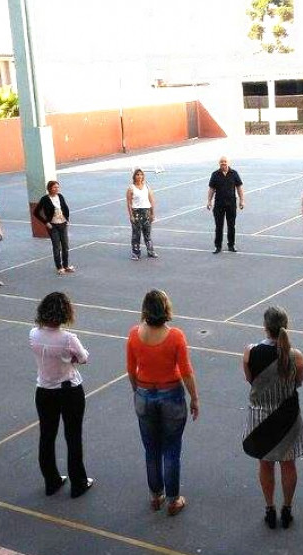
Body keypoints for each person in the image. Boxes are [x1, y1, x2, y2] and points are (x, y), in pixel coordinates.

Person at [126, 290, 200, 516]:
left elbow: (131, 370)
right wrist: (194, 398)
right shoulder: (175, 336)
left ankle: (155, 495)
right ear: (166, 309)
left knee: (151, 449)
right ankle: (173, 499)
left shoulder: (134, 334)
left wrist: (137, 390)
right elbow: (186, 372)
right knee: (171, 449)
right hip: (171, 395)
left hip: (144, 393)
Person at [242, 306, 303, 529]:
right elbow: (298, 382)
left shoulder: (250, 352)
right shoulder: (295, 356)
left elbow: (250, 380)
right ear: (286, 326)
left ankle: (269, 508)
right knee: (288, 464)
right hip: (287, 417)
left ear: (265, 327)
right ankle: (287, 508)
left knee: (265, 463)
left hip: (260, 418)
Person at [30, 292, 94, 497]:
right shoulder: (68, 338)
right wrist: (71, 358)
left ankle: (51, 480)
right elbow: (83, 358)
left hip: (44, 390)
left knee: (46, 436)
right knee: (73, 436)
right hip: (69, 391)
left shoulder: (34, 334)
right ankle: (78, 482)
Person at [33, 180, 76, 275]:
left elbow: (65, 208)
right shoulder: (45, 199)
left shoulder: (60, 196)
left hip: (63, 224)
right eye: (54, 187)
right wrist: (46, 222)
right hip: (53, 226)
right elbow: (36, 212)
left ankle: (66, 265)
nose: (57, 189)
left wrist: (67, 219)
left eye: (58, 187)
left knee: (65, 245)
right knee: (57, 247)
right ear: (49, 188)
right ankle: (59, 267)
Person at [207, 156, 245, 254]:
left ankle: (231, 245)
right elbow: (211, 189)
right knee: (219, 226)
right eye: (221, 162)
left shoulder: (234, 173)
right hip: (219, 204)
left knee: (231, 225)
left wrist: (242, 200)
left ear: (228, 163)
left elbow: (239, 187)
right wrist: (209, 201)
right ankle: (218, 246)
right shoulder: (215, 174)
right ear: (219, 163)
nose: (223, 163)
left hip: (231, 203)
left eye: (225, 162)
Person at [126, 169, 159, 260]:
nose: (139, 176)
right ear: (134, 176)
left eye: (141, 174)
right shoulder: (131, 188)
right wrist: (131, 215)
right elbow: (129, 203)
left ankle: (150, 251)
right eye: (137, 175)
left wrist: (152, 213)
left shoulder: (147, 187)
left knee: (147, 233)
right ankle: (136, 253)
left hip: (146, 212)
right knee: (136, 234)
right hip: (136, 212)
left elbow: (151, 201)